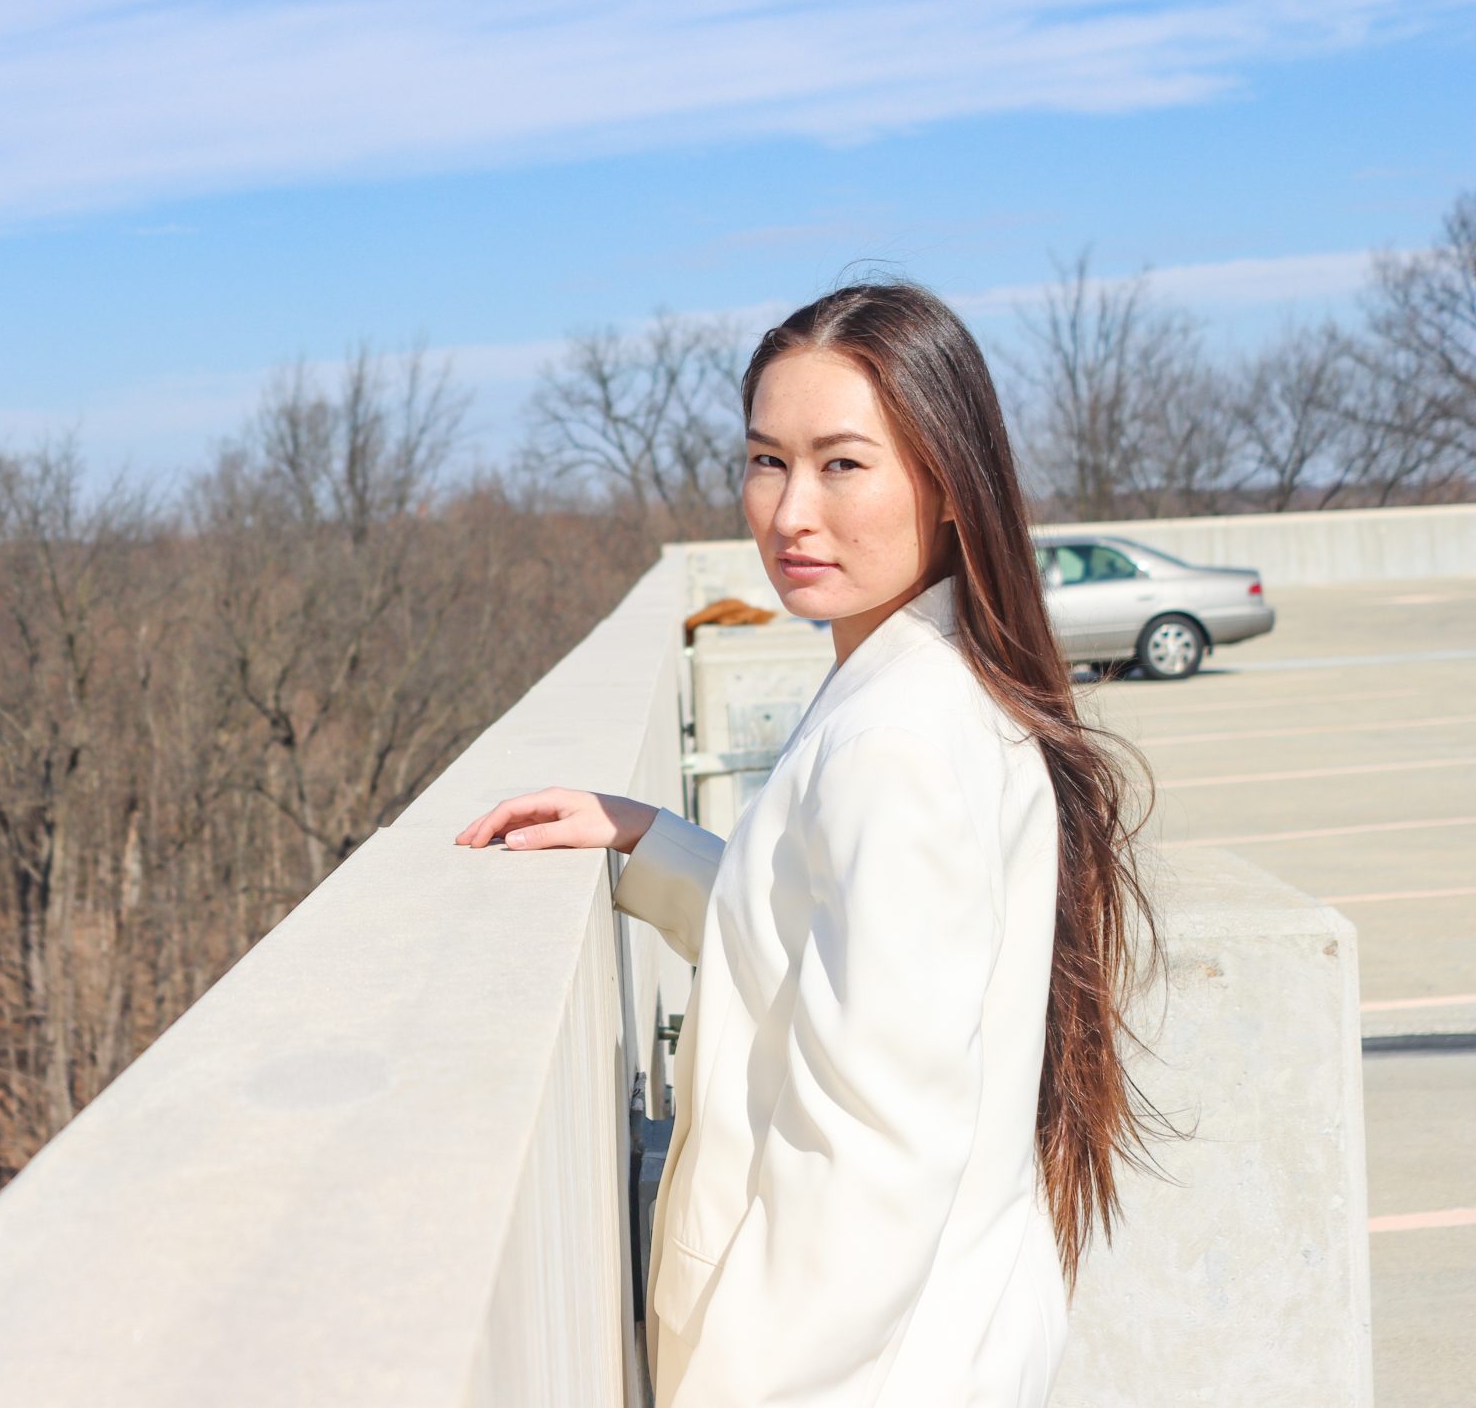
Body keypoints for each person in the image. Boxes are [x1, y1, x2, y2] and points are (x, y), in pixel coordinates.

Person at [453, 278, 1171, 1406]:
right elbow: (824, 953)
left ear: (948, 483)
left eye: (842, 464)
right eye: (766, 460)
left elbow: (876, 1148)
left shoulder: (896, 740)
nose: (790, 512)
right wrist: (652, 840)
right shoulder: (924, 684)